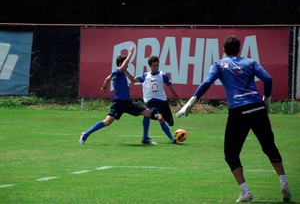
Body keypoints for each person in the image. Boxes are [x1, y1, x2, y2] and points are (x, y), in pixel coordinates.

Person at [176, 35, 292, 202]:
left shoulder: (219, 64)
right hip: (257, 107)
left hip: (238, 111)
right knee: (269, 146)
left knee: (231, 153)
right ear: (239, 49)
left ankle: (245, 191)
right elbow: (267, 78)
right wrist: (266, 100)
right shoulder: (250, 62)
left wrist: (190, 103)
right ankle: (283, 182)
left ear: (223, 50)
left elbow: (207, 82)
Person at [79, 45, 155, 145]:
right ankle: (85, 134)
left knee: (147, 112)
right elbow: (117, 71)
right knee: (107, 122)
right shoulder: (117, 71)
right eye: (125, 64)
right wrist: (130, 53)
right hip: (118, 103)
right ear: (120, 64)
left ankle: (145, 138)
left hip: (127, 103)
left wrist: (104, 87)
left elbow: (107, 79)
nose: (127, 65)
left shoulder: (122, 73)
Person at [126, 56, 183, 144]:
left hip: (163, 103)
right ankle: (172, 139)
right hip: (151, 103)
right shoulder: (145, 76)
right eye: (154, 65)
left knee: (171, 123)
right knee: (160, 118)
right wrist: (124, 69)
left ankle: (167, 125)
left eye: (157, 65)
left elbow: (171, 89)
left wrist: (179, 103)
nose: (156, 67)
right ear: (150, 66)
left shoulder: (163, 75)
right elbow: (133, 79)